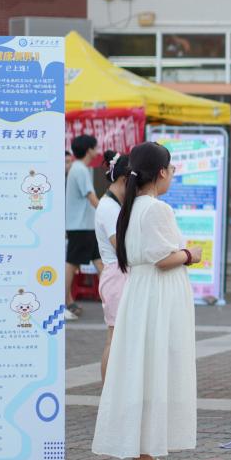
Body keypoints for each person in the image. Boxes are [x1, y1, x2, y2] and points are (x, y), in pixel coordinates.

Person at [92, 142, 201, 460]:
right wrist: (190, 254)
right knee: (152, 373)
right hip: (156, 298)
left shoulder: (131, 207)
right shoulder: (155, 208)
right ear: (161, 172)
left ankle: (148, 458)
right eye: (171, 169)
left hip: (145, 296)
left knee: (148, 372)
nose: (172, 175)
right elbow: (162, 258)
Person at [94, 150, 130, 381]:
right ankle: (108, 389)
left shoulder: (112, 205)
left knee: (117, 336)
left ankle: (112, 389)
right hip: (116, 276)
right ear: (124, 179)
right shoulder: (109, 207)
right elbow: (121, 246)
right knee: (114, 337)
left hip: (118, 274)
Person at [65, 135, 102, 320]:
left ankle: (115, 300)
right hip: (80, 226)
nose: (97, 150)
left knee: (100, 262)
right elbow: (91, 197)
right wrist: (107, 213)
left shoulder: (79, 168)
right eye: (95, 147)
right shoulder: (80, 169)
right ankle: (63, 302)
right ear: (89, 150)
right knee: (72, 264)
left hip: (85, 225)